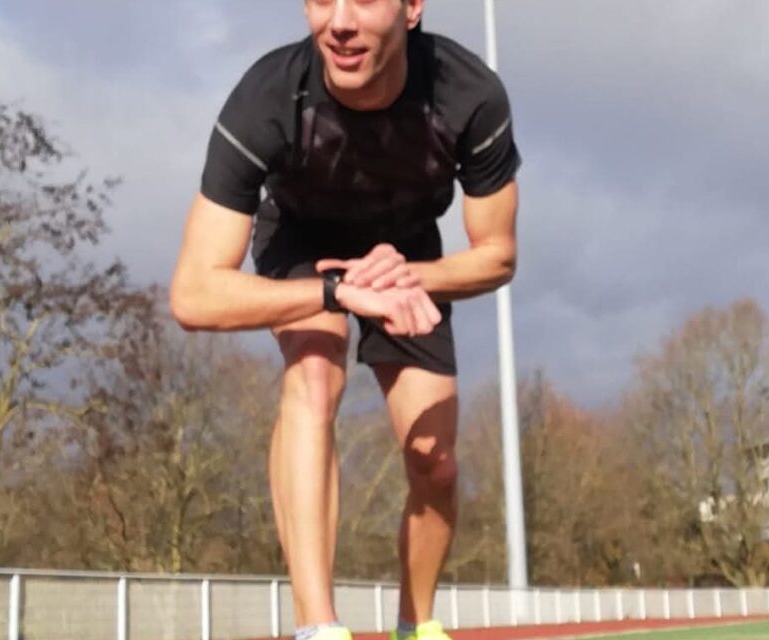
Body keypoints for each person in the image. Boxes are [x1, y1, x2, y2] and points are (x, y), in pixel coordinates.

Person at [169, 1, 521, 640]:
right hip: (303, 243)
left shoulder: (469, 95)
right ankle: (319, 627)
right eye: (321, 0)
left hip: (407, 255)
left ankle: (416, 625)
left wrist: (406, 277)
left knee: (436, 463)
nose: (338, 22)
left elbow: (497, 255)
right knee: (314, 372)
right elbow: (193, 293)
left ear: (412, 7)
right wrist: (336, 292)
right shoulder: (267, 98)